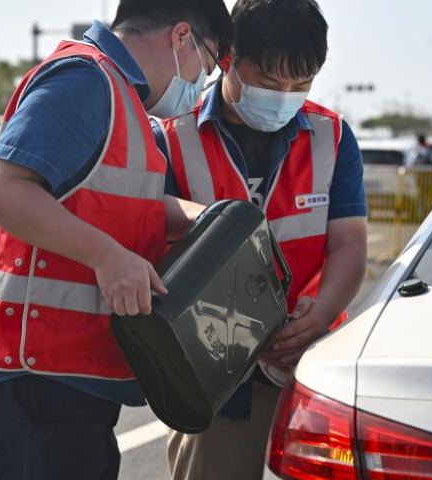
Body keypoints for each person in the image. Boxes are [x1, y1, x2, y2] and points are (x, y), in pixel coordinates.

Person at [0, 1, 231, 479]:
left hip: (70, 373)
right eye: (206, 70)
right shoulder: (86, 80)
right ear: (182, 37)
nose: (199, 90)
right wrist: (107, 256)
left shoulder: (127, 103)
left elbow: (123, 204)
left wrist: (207, 221)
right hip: (35, 374)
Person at [153, 1, 368, 478]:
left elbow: (349, 246)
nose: (285, 96)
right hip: (210, 371)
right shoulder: (171, 134)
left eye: (301, 84)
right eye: (271, 82)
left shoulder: (332, 137)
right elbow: (149, 230)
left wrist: (322, 313)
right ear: (227, 56)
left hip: (306, 363)